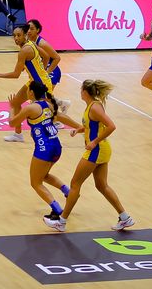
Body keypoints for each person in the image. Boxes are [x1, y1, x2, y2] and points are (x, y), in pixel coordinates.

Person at [43, 79, 134, 232]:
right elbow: (92, 126)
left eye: (81, 90)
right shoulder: (92, 106)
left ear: (85, 92)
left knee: (75, 184)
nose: (80, 92)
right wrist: (78, 130)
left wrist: (94, 142)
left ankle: (62, 221)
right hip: (102, 149)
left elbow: (111, 126)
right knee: (101, 186)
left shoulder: (95, 108)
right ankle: (125, 217)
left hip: (97, 149)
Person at [8, 79, 77, 221]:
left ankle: (57, 210)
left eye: (28, 90)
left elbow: (12, 123)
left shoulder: (30, 108)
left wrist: (12, 106)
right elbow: (62, 117)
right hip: (57, 146)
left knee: (35, 182)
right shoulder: (49, 105)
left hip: (44, 148)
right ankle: (67, 192)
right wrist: (80, 127)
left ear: (31, 92)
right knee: (44, 175)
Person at [0, 25, 53, 143]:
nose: (16, 38)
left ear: (25, 35)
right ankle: (18, 135)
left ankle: (61, 112)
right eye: (14, 36)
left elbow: (16, 75)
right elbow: (46, 56)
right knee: (16, 102)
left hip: (41, 84)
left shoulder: (24, 51)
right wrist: (39, 69)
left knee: (44, 112)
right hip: (35, 81)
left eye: (19, 35)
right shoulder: (32, 43)